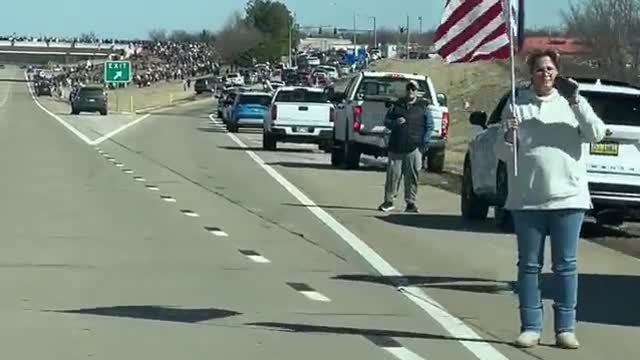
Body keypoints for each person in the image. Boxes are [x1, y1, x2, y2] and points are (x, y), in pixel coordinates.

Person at [495, 49, 606, 349]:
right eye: (540, 69)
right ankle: (530, 326)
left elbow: (596, 134)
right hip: (528, 199)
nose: (546, 74)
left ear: (558, 73)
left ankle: (565, 328)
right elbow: (503, 155)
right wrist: (508, 136)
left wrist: (576, 100)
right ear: (531, 74)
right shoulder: (518, 105)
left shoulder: (572, 104)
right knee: (529, 266)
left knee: (565, 265)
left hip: (568, 198)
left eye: (550, 69)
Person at [378, 80, 434, 213]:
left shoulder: (423, 107)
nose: (410, 91)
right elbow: (387, 122)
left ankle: (411, 203)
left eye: (413, 89)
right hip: (396, 146)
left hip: (414, 147)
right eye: (408, 88)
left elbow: (429, 126)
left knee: (412, 177)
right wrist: (395, 122)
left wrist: (424, 143)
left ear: (417, 91)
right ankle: (389, 201)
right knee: (393, 176)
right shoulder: (396, 105)